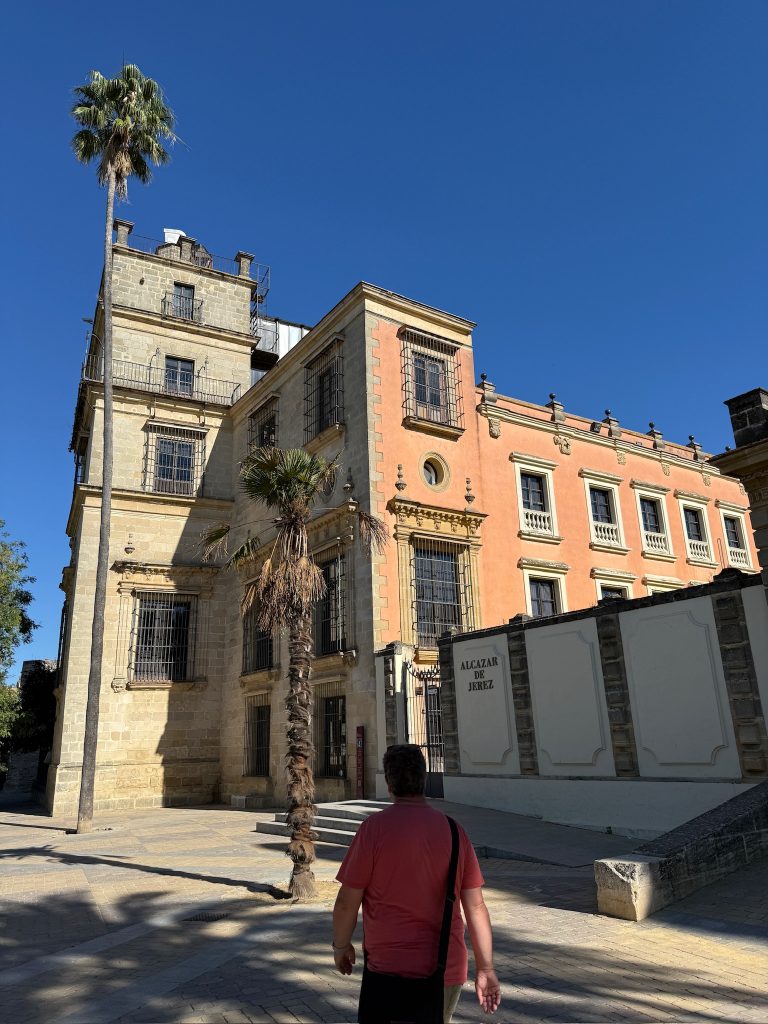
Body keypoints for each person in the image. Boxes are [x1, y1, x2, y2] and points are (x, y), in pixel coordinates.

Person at [332, 744, 501, 1023]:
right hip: (443, 970)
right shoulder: (454, 831)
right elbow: (476, 907)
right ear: (424, 779)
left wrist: (341, 946)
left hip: (386, 969)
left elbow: (346, 902)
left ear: (389, 783)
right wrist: (485, 968)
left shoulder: (373, 829)